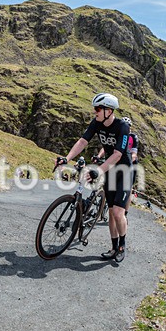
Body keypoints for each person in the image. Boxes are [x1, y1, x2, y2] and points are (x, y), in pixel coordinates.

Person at [57, 93, 132, 262]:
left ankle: (122, 244)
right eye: (94, 109)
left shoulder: (122, 127)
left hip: (124, 171)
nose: (95, 112)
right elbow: (83, 142)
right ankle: (113, 248)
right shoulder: (97, 123)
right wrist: (66, 158)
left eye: (98, 109)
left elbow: (118, 155)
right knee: (111, 212)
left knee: (119, 213)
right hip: (110, 171)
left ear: (109, 110)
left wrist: (98, 170)